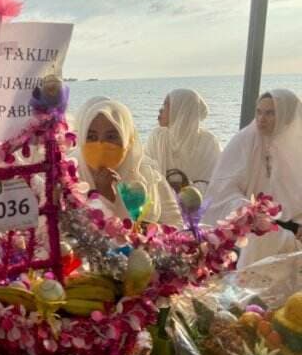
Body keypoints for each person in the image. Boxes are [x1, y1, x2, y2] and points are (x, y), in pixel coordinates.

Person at [203, 89, 302, 268]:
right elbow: (223, 189)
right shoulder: (244, 141)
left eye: (270, 113)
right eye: (259, 112)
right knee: (260, 240)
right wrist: (249, 212)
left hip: (297, 227)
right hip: (260, 226)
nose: (261, 118)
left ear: (287, 115)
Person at [74, 97, 182, 227]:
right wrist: (103, 197)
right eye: (91, 137)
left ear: (128, 140)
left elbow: (175, 224)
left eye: (111, 137)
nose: (101, 144)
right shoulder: (70, 178)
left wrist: (146, 235)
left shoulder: (147, 176)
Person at [145, 89, 221, 193]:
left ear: (181, 110)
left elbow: (214, 183)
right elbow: (146, 170)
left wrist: (186, 191)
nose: (160, 109)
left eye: (166, 105)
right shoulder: (157, 136)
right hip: (162, 201)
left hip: (198, 204)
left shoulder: (208, 142)